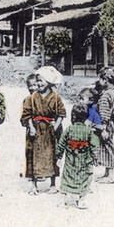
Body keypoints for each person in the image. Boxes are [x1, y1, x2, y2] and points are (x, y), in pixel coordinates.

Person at [20, 66, 65, 195]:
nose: (39, 83)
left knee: (52, 155)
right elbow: (27, 114)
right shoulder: (32, 98)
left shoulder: (55, 98)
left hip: (50, 130)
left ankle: (52, 184)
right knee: (33, 155)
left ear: (49, 82)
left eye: (41, 81)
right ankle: (34, 185)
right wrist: (31, 127)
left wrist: (56, 126)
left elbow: (61, 114)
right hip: (35, 129)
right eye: (37, 81)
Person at [55, 104, 101, 209]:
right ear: (85, 118)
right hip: (84, 161)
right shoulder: (89, 131)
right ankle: (81, 200)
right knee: (84, 179)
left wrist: (59, 156)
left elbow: (61, 143)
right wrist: (95, 157)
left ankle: (63, 200)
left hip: (70, 161)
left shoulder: (69, 130)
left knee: (66, 178)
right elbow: (94, 145)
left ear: (73, 117)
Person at [94, 66, 114, 184]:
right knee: (107, 147)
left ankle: (110, 175)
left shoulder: (105, 95)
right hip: (111, 123)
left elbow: (104, 112)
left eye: (100, 79)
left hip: (105, 124)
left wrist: (103, 127)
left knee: (108, 148)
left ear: (105, 80)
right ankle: (107, 173)